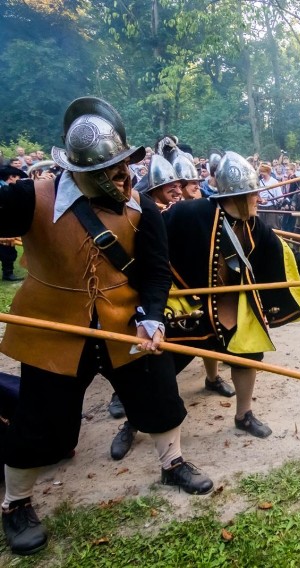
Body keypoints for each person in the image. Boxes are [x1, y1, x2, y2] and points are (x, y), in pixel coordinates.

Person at [0, 97, 214, 555]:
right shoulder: (29, 198)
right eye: (115, 170)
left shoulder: (143, 208)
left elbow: (156, 271)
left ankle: (172, 462)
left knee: (159, 395)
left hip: (123, 325)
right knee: (39, 421)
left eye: (126, 166)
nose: (127, 177)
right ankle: (16, 504)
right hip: (54, 328)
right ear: (85, 172)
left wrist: (152, 317)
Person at [159, 152, 300, 439]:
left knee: (247, 353)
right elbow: (153, 239)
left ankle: (243, 415)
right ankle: (134, 422)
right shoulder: (189, 214)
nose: (258, 199)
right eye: (252, 195)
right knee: (163, 366)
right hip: (189, 303)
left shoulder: (254, 225)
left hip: (232, 305)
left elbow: (286, 254)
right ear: (235, 196)